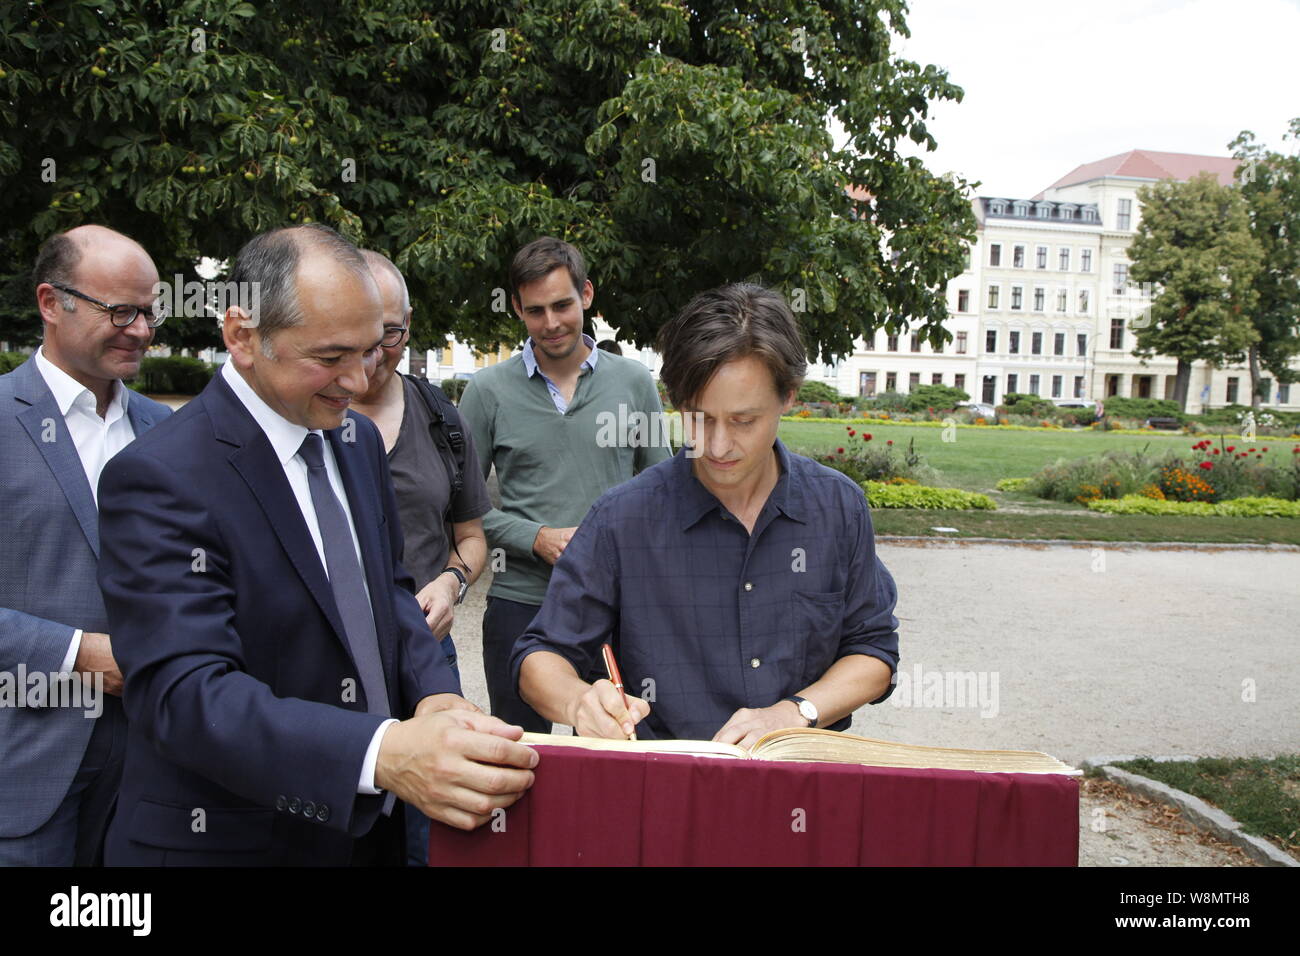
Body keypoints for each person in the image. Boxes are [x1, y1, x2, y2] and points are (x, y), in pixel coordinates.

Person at [97, 224, 536, 866]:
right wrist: (381, 754)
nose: (358, 381)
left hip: (365, 833)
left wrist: (432, 693)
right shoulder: (159, 477)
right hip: (233, 843)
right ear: (243, 337)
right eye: (330, 358)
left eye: (371, 350)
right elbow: (185, 694)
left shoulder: (352, 441)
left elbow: (385, 590)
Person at [513, 283, 900, 746]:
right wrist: (580, 702)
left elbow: (873, 650)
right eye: (698, 418)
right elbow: (540, 656)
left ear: (788, 397)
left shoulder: (839, 507)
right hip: (663, 790)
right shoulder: (623, 518)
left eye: (743, 421)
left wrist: (795, 712)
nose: (716, 447)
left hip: (802, 785)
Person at [0, 225, 172, 866]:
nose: (142, 329)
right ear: (51, 302)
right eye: (120, 311)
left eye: (149, 311)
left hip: (155, 773)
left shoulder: (167, 430)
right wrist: (78, 655)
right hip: (23, 767)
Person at [458, 237, 670, 732]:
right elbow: (460, 508)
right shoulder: (487, 392)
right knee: (520, 754)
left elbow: (663, 492)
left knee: (611, 752)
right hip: (521, 602)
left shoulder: (634, 382)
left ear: (587, 295)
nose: (551, 323)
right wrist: (536, 538)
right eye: (535, 311)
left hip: (613, 607)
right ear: (516, 308)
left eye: (562, 305)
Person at [349, 249, 493, 866]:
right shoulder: (302, 418)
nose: (377, 353)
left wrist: (453, 584)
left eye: (392, 335)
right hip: (337, 651)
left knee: (429, 829)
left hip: (426, 650)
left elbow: (472, 540)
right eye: (361, 335)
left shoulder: (441, 420)